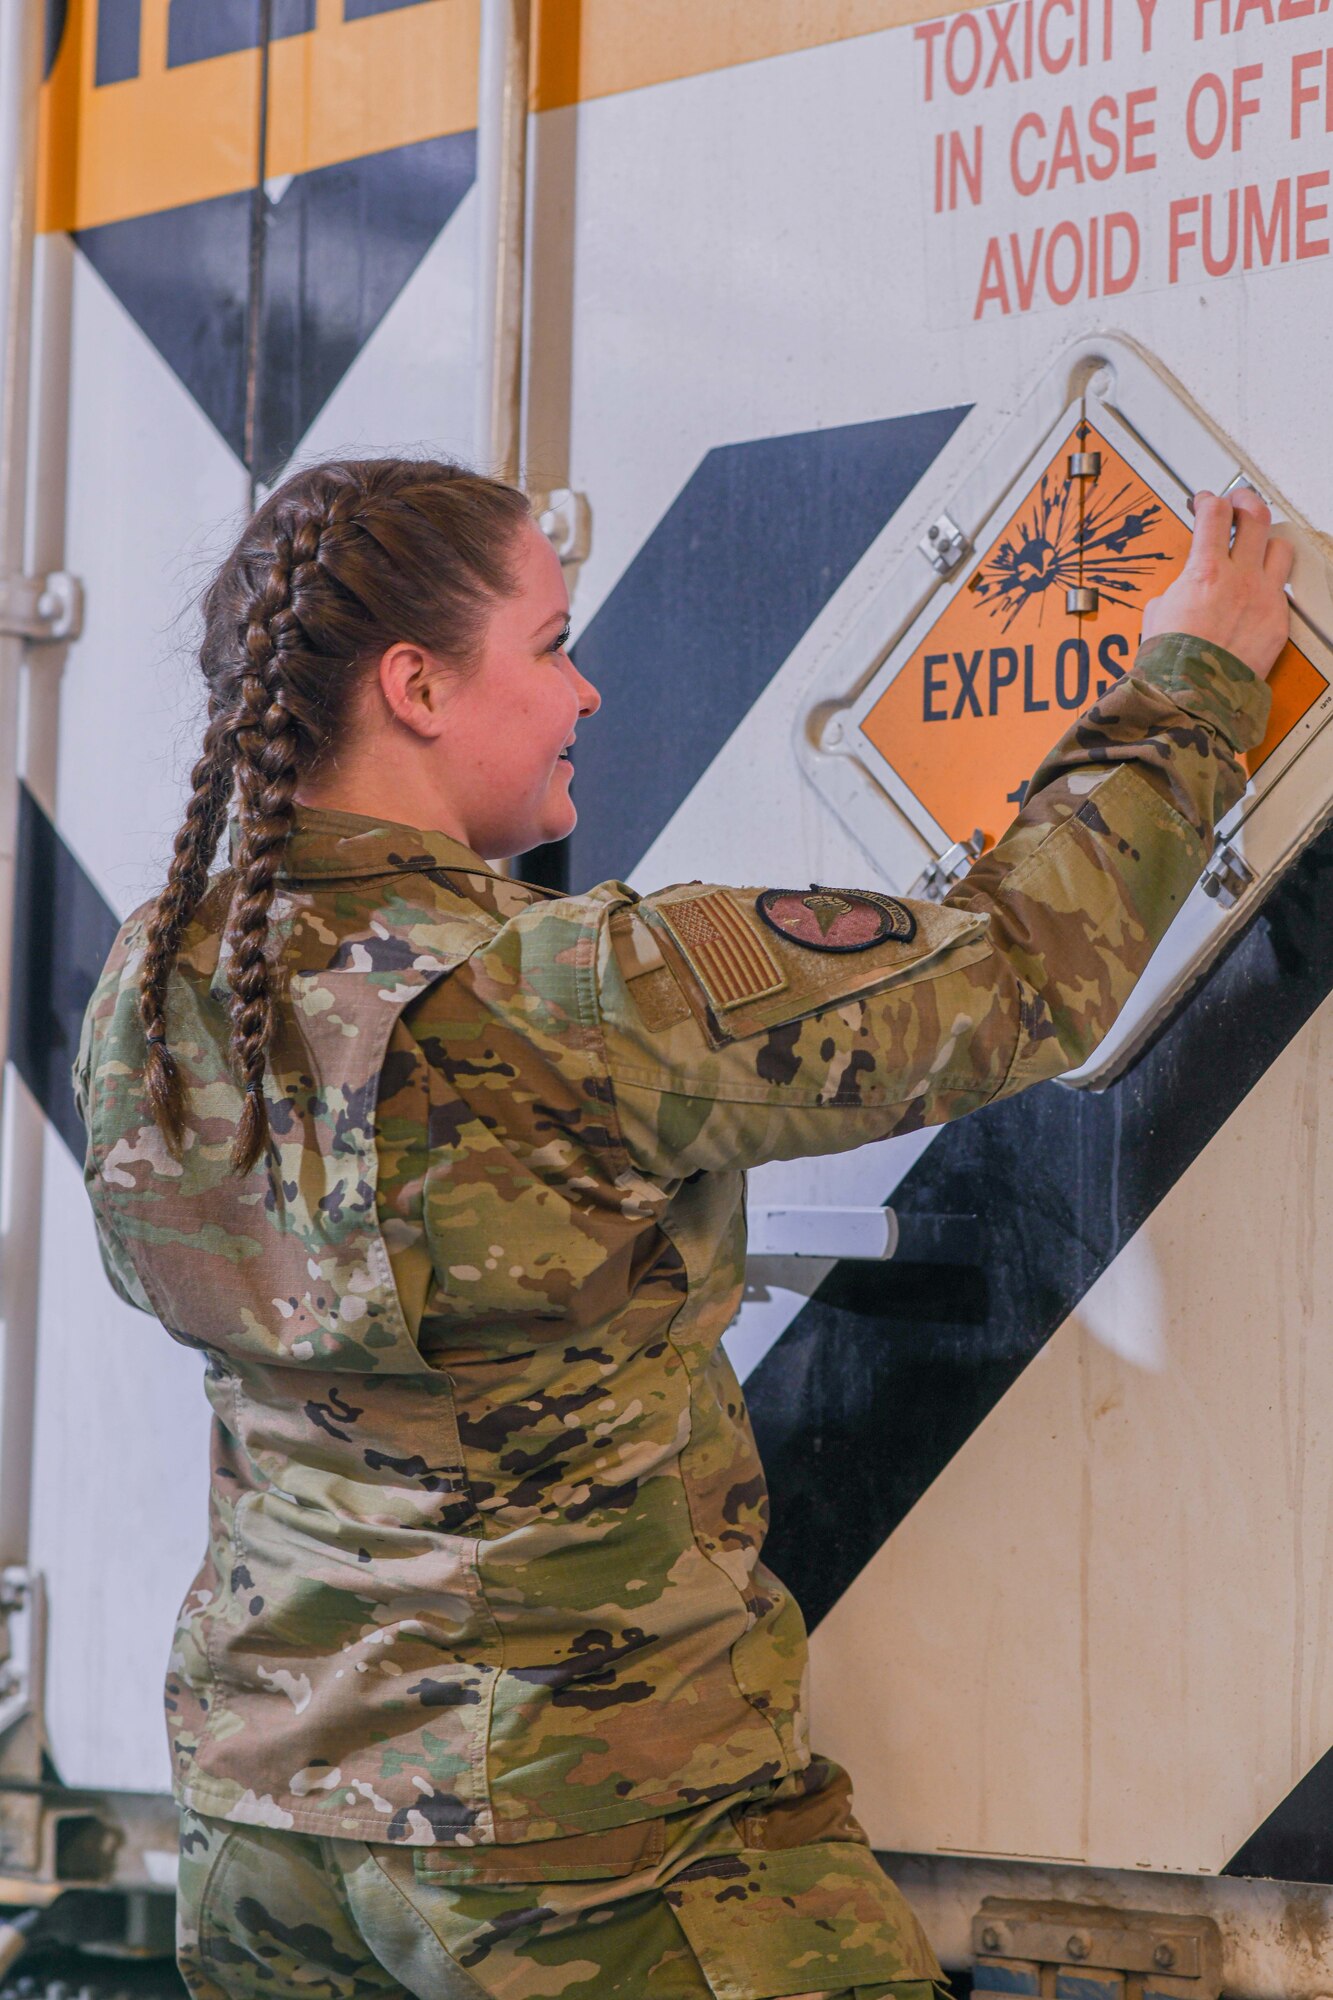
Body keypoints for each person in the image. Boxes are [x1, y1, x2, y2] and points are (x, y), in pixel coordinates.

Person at [75, 458, 1289, 2000]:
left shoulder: (156, 986)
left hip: (267, 1838)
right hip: (592, 1854)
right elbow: (1021, 973)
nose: (582, 693)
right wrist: (1188, 676)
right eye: (553, 642)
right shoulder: (577, 988)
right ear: (417, 687)